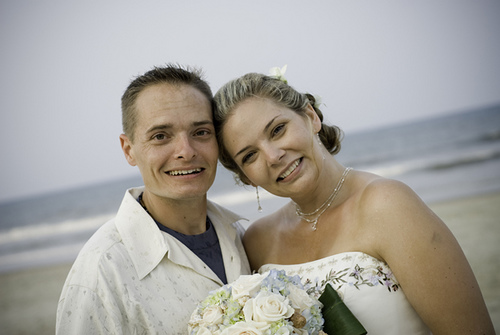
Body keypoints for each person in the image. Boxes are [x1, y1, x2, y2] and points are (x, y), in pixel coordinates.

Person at [212, 70, 495, 334]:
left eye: (277, 130)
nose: (273, 156)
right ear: (246, 177)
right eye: (249, 156)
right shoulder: (258, 242)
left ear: (310, 117)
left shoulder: (388, 205)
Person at [56, 65, 250, 334]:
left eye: (201, 132)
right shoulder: (102, 271)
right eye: (160, 136)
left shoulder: (240, 235)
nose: (186, 151)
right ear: (129, 150)